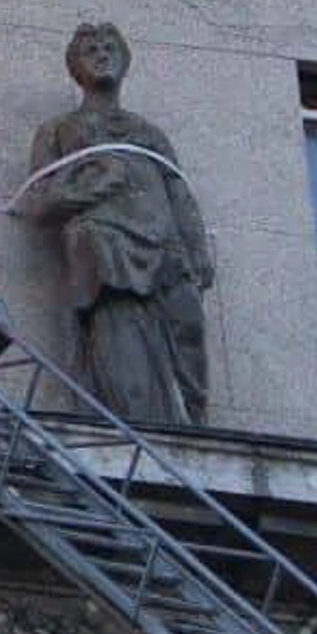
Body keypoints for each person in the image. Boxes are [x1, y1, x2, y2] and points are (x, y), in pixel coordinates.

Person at [12, 22, 214, 425]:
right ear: (76, 68)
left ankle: (190, 434)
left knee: (188, 351)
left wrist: (197, 249)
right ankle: (143, 435)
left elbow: (178, 194)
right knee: (127, 361)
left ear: (124, 62)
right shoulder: (58, 130)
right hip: (108, 254)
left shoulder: (149, 133)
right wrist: (95, 186)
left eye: (110, 49)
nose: (103, 55)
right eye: (92, 51)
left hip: (168, 255)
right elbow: (38, 203)